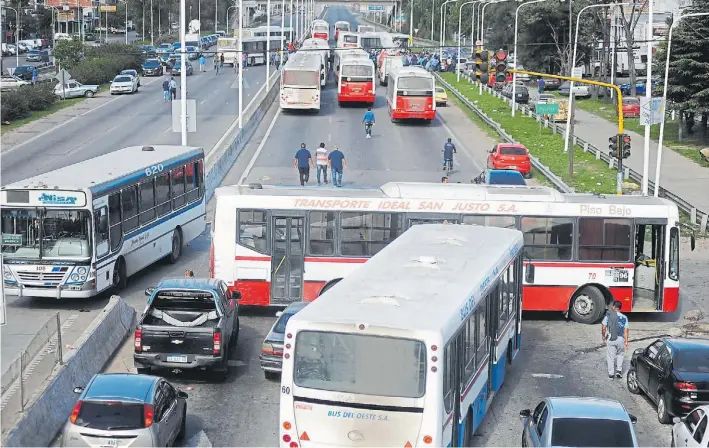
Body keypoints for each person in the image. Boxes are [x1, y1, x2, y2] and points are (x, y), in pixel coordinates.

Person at [602, 301, 630, 379]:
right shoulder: (624, 317)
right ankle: (619, 371)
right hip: (620, 338)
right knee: (620, 354)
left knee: (611, 356)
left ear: (614, 307)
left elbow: (603, 328)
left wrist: (603, 337)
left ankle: (611, 374)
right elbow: (626, 330)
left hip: (611, 338)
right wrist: (626, 342)